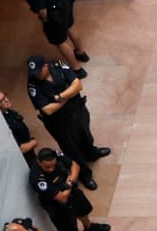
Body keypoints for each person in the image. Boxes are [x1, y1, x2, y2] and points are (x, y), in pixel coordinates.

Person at [26, 56, 109, 189]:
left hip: (77, 111)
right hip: (59, 123)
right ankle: (85, 175)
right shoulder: (33, 85)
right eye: (34, 74)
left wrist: (59, 98)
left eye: (39, 72)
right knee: (72, 149)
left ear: (46, 66)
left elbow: (78, 85)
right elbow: (47, 110)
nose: (36, 76)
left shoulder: (58, 65)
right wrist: (67, 96)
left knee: (85, 134)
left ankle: (92, 152)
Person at [12, 0, 88, 76]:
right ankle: (81, 53)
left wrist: (44, 19)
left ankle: (77, 69)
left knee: (59, 41)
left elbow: (42, 10)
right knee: (70, 26)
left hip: (54, 12)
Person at [31, 149, 111, 231]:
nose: (51, 169)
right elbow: (62, 198)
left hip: (71, 192)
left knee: (82, 210)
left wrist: (71, 181)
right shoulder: (38, 179)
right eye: (47, 167)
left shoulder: (57, 154)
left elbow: (75, 166)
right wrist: (69, 185)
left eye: (53, 165)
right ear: (39, 162)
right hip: (57, 207)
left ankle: (89, 228)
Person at [0, 89, 38, 170]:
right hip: (23, 160)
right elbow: (20, 149)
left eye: (5, 96)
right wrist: (33, 142)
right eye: (1, 101)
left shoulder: (9, 112)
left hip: (30, 153)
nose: (6, 100)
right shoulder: (3, 123)